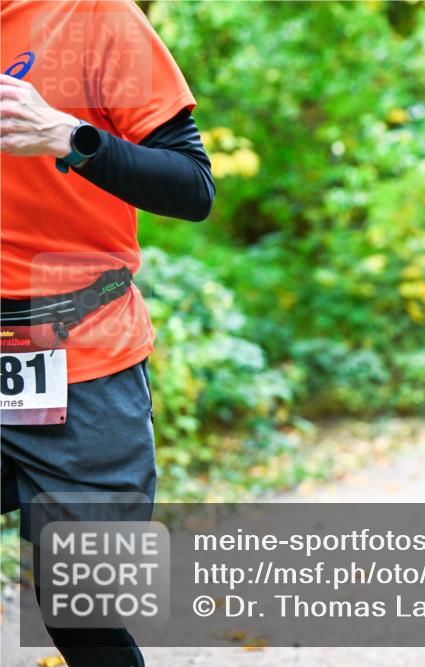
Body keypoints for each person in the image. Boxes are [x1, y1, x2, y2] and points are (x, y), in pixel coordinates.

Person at [1, 1, 214, 665]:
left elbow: (193, 186)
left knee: (80, 615)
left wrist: (69, 136)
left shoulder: (93, 15)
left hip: (82, 358)